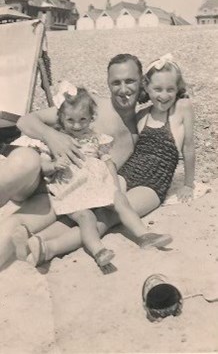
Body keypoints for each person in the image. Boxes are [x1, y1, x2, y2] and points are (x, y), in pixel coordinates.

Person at [11, 53, 192, 267]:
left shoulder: (161, 113)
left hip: (136, 182)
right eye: (116, 82)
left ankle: (44, 245)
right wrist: (53, 137)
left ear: (141, 82)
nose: (123, 89)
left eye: (130, 81)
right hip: (96, 177)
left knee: (102, 216)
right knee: (92, 211)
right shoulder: (115, 112)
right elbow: (29, 120)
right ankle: (38, 242)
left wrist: (189, 183)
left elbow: (184, 141)